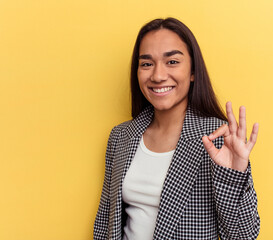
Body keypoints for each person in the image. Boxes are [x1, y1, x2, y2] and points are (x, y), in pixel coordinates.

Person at [94, 17, 260, 240]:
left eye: (172, 62)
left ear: (193, 72)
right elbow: (106, 221)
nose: (158, 75)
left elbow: (242, 236)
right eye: (146, 63)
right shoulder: (121, 136)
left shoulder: (218, 138)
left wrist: (235, 173)